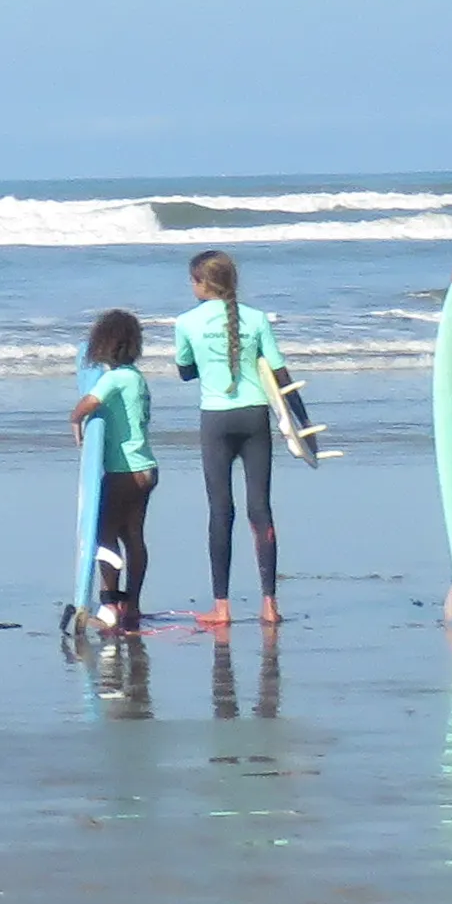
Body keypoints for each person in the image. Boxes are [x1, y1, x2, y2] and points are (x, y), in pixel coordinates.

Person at [170, 250, 291, 633]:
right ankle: (269, 604)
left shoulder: (186, 322)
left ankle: (221, 607)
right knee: (261, 509)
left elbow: (185, 372)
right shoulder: (256, 319)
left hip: (216, 420)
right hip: (256, 417)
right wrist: (301, 424)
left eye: (193, 280)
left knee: (221, 512)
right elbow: (281, 374)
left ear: (202, 283)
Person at [71, 308, 156, 631]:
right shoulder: (136, 378)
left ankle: (109, 606)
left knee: (104, 534)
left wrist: (74, 418)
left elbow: (90, 402)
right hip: (146, 468)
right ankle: (132, 604)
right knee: (133, 535)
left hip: (122, 472)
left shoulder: (114, 379)